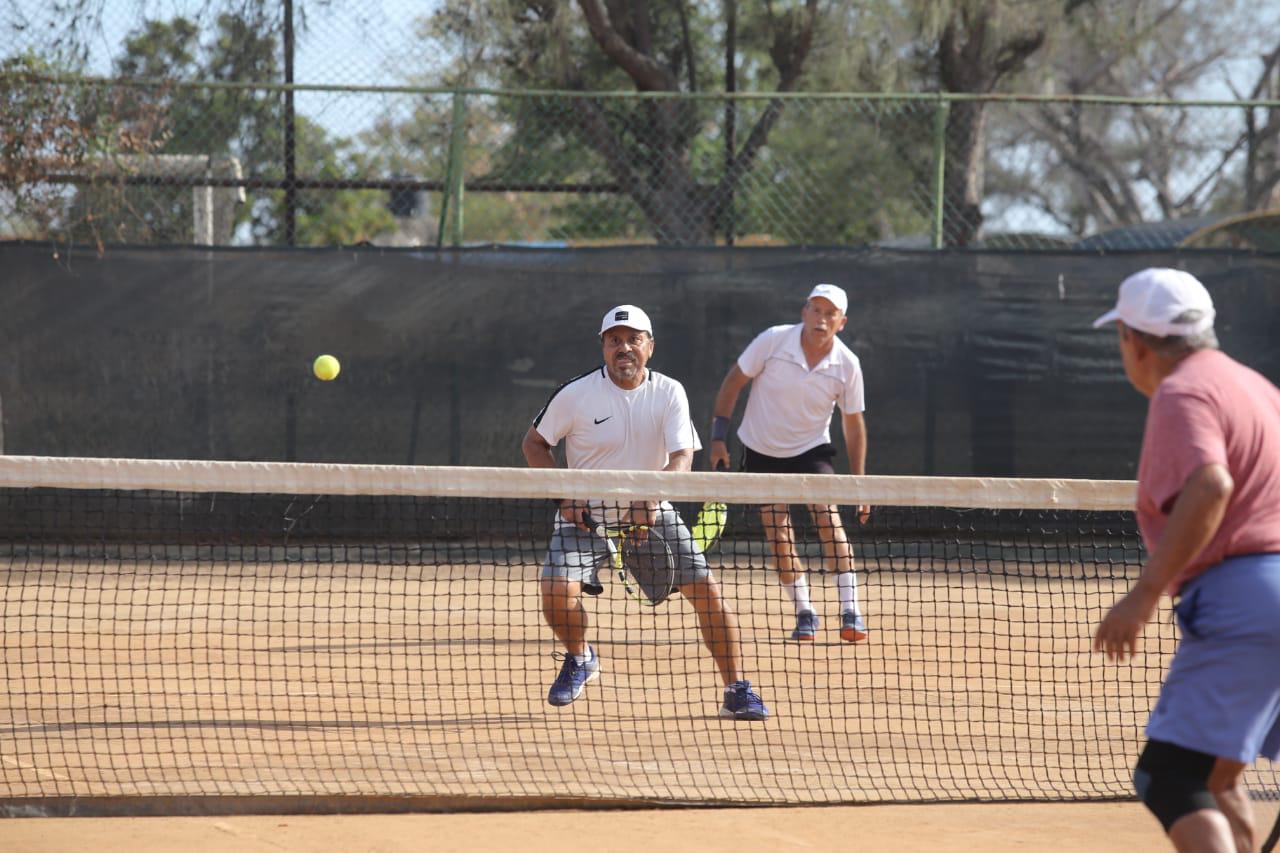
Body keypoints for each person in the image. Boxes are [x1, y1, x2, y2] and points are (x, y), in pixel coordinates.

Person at [1091, 268, 1280, 853]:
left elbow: (1212, 485)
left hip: (1247, 600)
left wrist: (1146, 592)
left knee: (1168, 777)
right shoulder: (1254, 387)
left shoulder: (1183, 392)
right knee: (1217, 778)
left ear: (1134, 340)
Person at [522, 304, 769, 721]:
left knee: (708, 594)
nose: (624, 348)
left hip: (654, 515)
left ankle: (737, 689)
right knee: (553, 591)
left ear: (649, 347)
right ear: (603, 347)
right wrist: (566, 498)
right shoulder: (576, 393)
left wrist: (651, 500)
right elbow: (534, 444)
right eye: (614, 340)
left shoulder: (669, 391)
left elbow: (682, 457)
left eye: (634, 339)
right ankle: (581, 658)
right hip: (585, 519)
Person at [709, 283, 870, 643]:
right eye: (816, 310)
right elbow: (733, 382)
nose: (821, 319)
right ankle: (805, 613)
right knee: (778, 532)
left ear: (841, 323)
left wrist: (861, 484)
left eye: (830, 314)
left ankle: (851, 611)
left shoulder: (847, 365)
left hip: (812, 450)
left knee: (827, 518)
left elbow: (853, 423)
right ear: (804, 312)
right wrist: (718, 438)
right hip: (761, 450)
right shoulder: (773, 340)